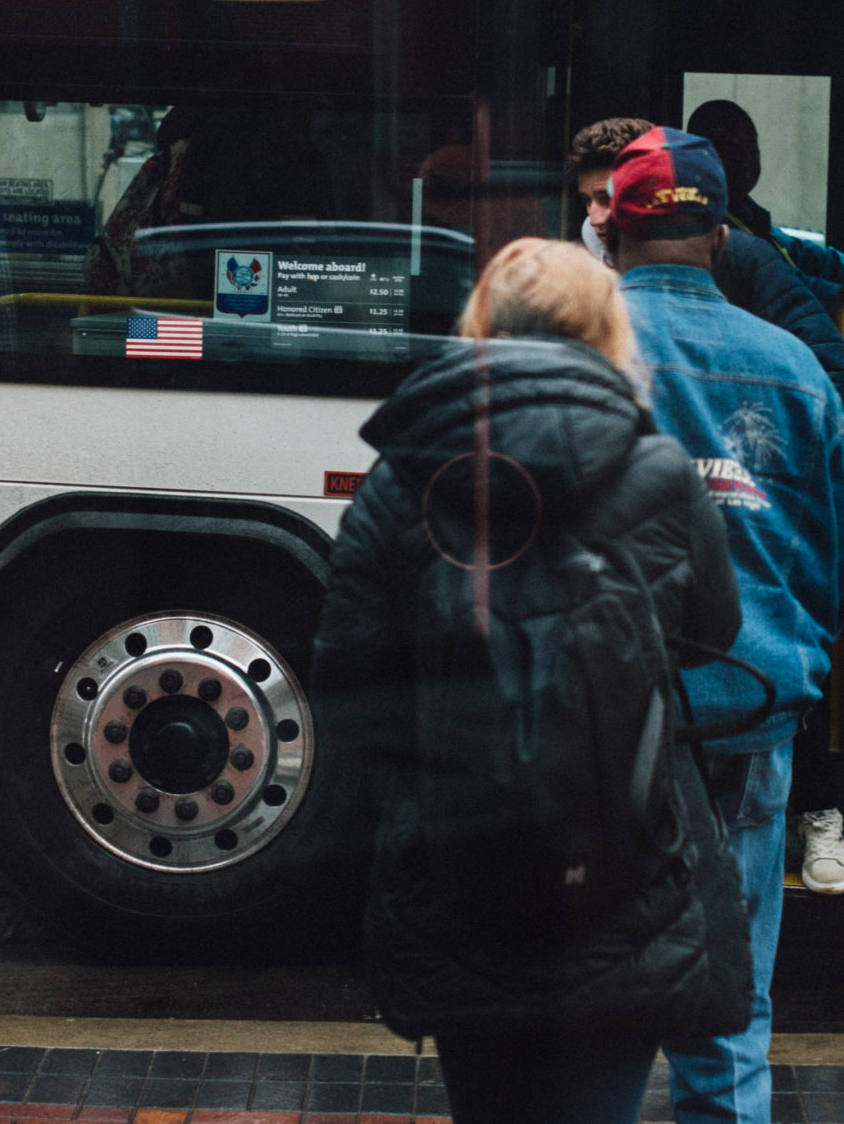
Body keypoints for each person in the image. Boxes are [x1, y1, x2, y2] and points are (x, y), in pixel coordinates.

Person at [314, 238, 750, 1124]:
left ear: (479, 328)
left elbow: (347, 678)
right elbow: (716, 634)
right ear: (606, 334)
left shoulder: (404, 481)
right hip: (627, 870)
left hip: (458, 873)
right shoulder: (660, 471)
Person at [598, 130, 844, 1124]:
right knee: (728, 1007)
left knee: (596, 995)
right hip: (748, 718)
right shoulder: (794, 368)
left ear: (613, 226)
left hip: (594, 732)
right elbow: (838, 561)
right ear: (719, 233)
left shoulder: (564, 352)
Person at [567, 117, 844, 408]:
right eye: (587, 200)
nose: (595, 218)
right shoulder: (569, 273)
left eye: (608, 199)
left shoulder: (745, 258)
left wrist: (750, 432)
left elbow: (830, 366)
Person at [684, 98, 844, 338]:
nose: (747, 159)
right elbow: (792, 286)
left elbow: (807, 255)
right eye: (733, 148)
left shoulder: (744, 212)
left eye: (752, 148)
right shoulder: (714, 229)